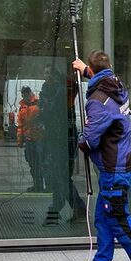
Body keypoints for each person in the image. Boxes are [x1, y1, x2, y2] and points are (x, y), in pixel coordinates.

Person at [73, 50, 131, 261]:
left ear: (95, 72)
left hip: (113, 170)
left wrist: (81, 140)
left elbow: (90, 139)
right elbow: (100, 75)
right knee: (103, 218)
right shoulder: (116, 86)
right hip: (119, 164)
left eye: (90, 71)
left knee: (119, 219)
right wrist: (85, 70)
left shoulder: (97, 101)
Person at [40, 66, 87, 226]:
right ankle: (56, 209)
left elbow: (50, 112)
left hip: (62, 138)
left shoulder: (59, 92)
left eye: (48, 73)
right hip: (58, 137)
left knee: (61, 175)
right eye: (45, 73)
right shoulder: (49, 91)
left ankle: (68, 208)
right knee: (59, 175)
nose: (46, 76)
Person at [16, 86, 45, 192]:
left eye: (27, 93)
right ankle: (37, 185)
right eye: (24, 94)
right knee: (32, 164)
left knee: (39, 164)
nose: (26, 96)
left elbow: (43, 120)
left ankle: (40, 185)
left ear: (30, 93)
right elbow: (20, 125)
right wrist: (20, 140)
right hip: (29, 139)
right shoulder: (22, 107)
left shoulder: (38, 104)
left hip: (39, 139)